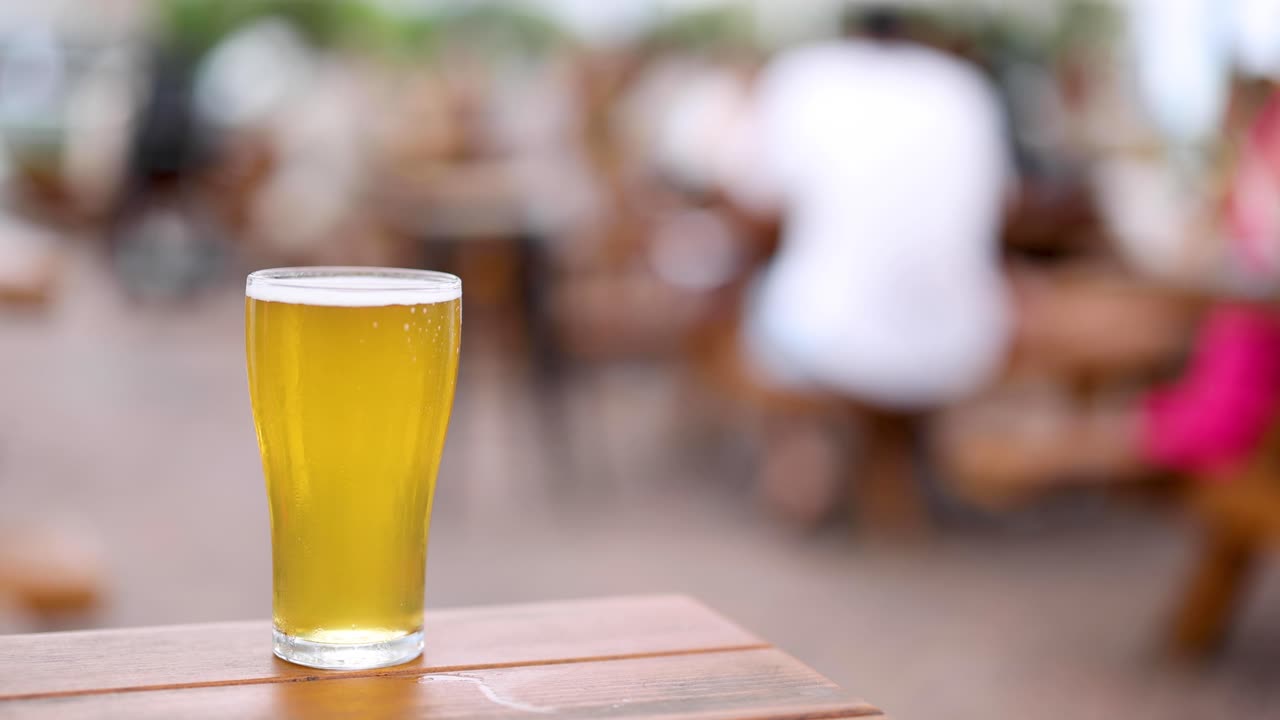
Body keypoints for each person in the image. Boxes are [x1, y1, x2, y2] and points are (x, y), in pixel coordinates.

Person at [717, 8, 1014, 525]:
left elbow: (755, 198)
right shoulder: (963, 87)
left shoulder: (805, 76)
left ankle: (800, 468)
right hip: (968, 337)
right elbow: (1001, 204)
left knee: (767, 304)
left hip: (831, 340)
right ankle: (879, 463)